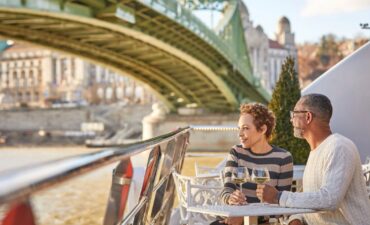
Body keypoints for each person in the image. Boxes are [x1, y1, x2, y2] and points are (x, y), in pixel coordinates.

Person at [256, 93, 370, 225]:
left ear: (308, 116)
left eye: (294, 114)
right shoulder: (316, 152)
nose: (291, 120)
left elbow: (329, 199)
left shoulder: (339, 147)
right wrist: (296, 219)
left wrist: (278, 196)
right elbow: (312, 201)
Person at [213, 103, 293, 225]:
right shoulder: (236, 152)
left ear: (262, 129)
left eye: (245, 128)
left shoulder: (283, 158)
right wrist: (231, 199)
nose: (239, 134)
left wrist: (247, 216)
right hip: (234, 218)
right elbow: (227, 190)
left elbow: (282, 204)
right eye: (239, 128)